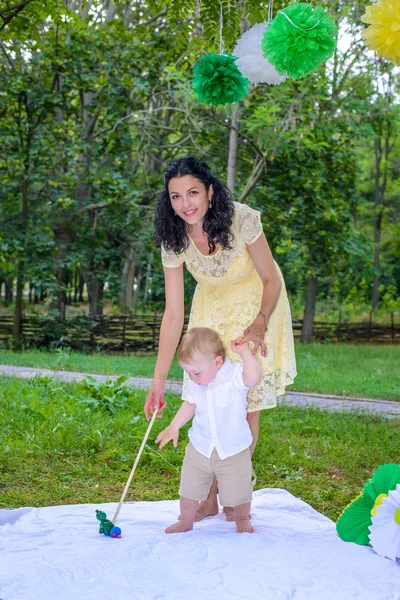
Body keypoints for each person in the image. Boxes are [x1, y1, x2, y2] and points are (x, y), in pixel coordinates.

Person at [145, 156, 296, 521]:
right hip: (210, 308)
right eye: (176, 196)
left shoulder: (241, 218)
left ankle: (234, 491)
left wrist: (260, 322)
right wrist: (158, 380)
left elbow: (270, 278)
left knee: (243, 402)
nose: (186, 204)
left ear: (210, 191)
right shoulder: (175, 238)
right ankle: (209, 498)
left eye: (193, 192)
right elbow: (173, 314)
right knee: (206, 392)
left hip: (257, 303)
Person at [156, 327, 261, 534]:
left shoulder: (234, 377)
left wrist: (245, 352)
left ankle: (241, 518)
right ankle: (186, 520)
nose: (192, 378)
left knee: (239, 488)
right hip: (201, 446)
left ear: (217, 363)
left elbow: (253, 377)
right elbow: (190, 404)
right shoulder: (197, 383)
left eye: (196, 373)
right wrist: (173, 426)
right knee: (189, 487)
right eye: (188, 373)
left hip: (232, 448)